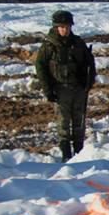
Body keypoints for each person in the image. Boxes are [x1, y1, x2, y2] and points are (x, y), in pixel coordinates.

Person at [35, 11, 97, 161]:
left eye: (68, 27)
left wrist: (88, 82)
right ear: (56, 27)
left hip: (78, 88)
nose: (65, 30)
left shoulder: (77, 43)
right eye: (62, 27)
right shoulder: (49, 45)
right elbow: (41, 67)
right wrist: (47, 89)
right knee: (63, 123)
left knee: (79, 123)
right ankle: (66, 155)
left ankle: (79, 153)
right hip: (60, 89)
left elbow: (90, 63)